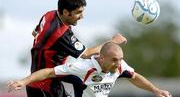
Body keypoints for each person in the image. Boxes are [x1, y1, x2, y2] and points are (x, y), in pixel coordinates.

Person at [27, 0, 127, 97]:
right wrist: (112, 42)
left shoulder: (49, 14)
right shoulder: (61, 33)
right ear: (65, 12)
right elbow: (86, 54)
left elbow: (34, 33)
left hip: (42, 81)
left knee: (81, 81)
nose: (81, 16)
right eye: (78, 12)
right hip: (46, 85)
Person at [8, 42, 172, 97]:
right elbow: (49, 72)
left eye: (120, 59)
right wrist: (23, 81)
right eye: (114, 60)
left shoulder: (120, 66)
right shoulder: (82, 67)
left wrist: (156, 91)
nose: (118, 63)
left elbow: (135, 77)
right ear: (102, 58)